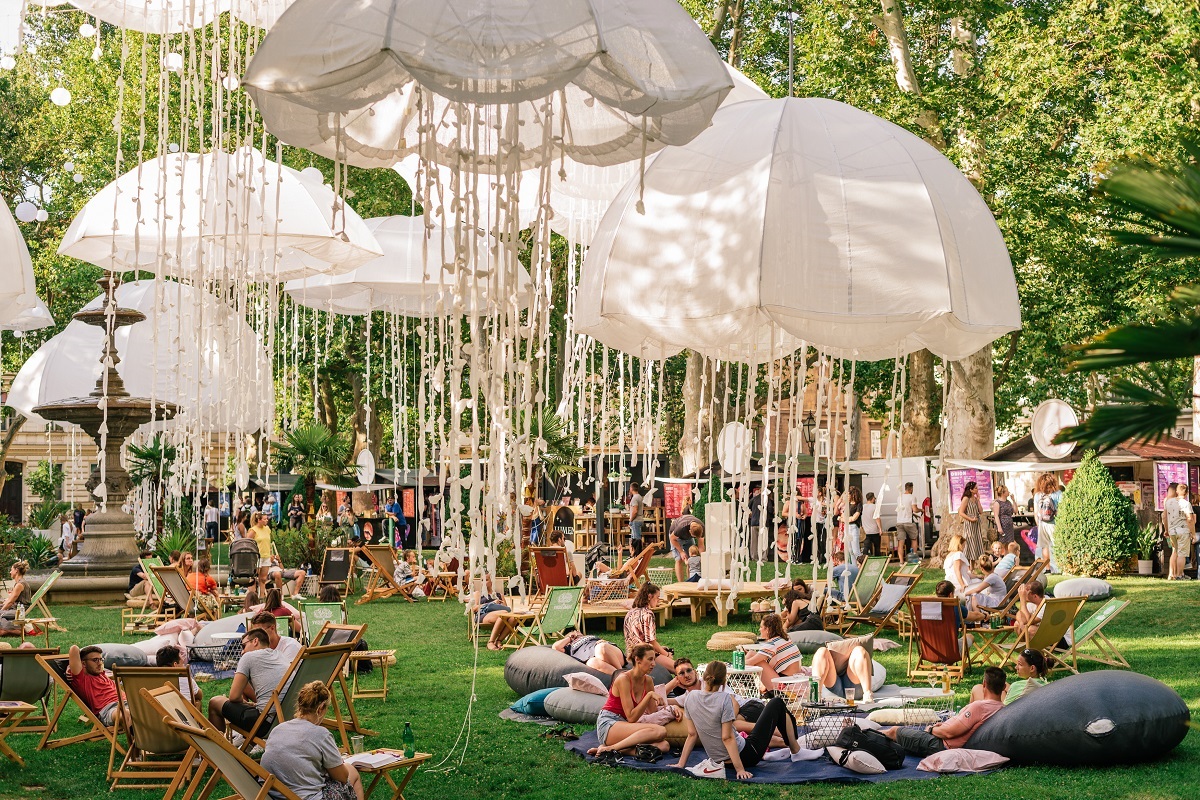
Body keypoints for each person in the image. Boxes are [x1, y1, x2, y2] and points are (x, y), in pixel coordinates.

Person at [674, 661, 821, 780]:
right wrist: (740, 770)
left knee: (751, 732)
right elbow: (727, 738)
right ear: (724, 681)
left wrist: (681, 764)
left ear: (703, 676)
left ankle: (784, 751)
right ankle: (796, 750)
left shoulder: (690, 698)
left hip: (720, 761)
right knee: (776, 703)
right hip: (746, 756)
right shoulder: (724, 698)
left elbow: (692, 735)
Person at [261, 680, 365, 800]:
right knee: (352, 771)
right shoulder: (320, 734)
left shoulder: (277, 730)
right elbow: (341, 777)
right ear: (320, 708)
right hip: (307, 797)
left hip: (273, 795)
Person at [882, 667, 1005, 756]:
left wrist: (931, 729)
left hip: (940, 744)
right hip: (942, 738)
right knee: (902, 737)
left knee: (894, 731)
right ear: (1004, 687)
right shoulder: (1002, 708)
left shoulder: (979, 707)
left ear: (984, 684)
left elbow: (949, 733)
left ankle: (865, 737)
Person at [588, 643, 672, 759]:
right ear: (638, 659)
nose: (654, 664)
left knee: (664, 745)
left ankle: (609, 749)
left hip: (625, 724)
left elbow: (652, 712)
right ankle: (611, 748)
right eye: (650, 659)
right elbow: (631, 717)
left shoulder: (648, 681)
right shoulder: (624, 679)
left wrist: (671, 710)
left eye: (654, 659)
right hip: (610, 723)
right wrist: (649, 695)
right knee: (660, 731)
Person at [208, 629, 289, 735]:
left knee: (215, 702)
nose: (242, 651)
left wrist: (245, 703)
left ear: (255, 641)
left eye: (243, 646)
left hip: (265, 723)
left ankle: (218, 747)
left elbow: (234, 696)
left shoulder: (249, 657)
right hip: (287, 719)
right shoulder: (281, 655)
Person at [623, 582, 675, 671]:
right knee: (678, 668)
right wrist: (666, 655)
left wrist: (660, 649)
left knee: (663, 649)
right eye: (657, 597)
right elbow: (651, 641)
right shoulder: (648, 614)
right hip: (644, 654)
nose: (659, 600)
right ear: (650, 596)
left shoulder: (630, 612)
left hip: (631, 654)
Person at [67, 644, 123, 727]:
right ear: (83, 664)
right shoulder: (82, 679)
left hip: (126, 703)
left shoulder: (102, 675)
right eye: (95, 660)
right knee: (126, 715)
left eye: (101, 659)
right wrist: (69, 667)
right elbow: (74, 649)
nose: (100, 663)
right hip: (109, 709)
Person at [744, 614, 802, 690]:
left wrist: (732, 665)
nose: (759, 629)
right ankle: (740, 681)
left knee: (756, 660)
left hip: (784, 685)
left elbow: (749, 663)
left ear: (767, 630)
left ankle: (735, 680)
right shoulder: (785, 639)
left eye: (761, 627)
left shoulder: (772, 644)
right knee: (751, 654)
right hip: (793, 680)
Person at [810, 637, 875, 703]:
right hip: (833, 685)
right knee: (821, 651)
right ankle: (815, 695)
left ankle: (867, 694)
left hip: (854, 687)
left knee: (860, 650)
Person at [552, 628, 626, 674]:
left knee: (601, 648)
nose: (576, 632)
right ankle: (621, 676)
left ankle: (622, 673)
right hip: (597, 660)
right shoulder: (569, 647)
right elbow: (556, 647)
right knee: (591, 662)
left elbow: (603, 645)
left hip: (611, 654)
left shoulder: (589, 637)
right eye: (573, 632)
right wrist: (570, 638)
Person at [1165, 482, 1193, 580]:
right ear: (1186, 493)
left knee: (1175, 552)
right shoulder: (1186, 503)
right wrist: (1192, 533)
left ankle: (1172, 574)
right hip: (1183, 530)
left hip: (1172, 531)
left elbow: (1165, 517)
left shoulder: (1168, 502)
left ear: (1177, 491)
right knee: (1182, 554)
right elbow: (1190, 519)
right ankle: (1179, 574)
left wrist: (1166, 529)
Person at [1034, 472, 1060, 573]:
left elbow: (1036, 513)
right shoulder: (1058, 494)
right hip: (1054, 524)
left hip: (1042, 524)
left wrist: (1039, 524)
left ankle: (1048, 568)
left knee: (1045, 546)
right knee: (1057, 545)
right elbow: (1061, 510)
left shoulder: (1037, 495)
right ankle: (1059, 568)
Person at [669, 514, 704, 583]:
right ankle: (681, 583)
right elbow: (672, 539)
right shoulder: (681, 527)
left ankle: (690, 581)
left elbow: (701, 545)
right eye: (694, 537)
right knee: (679, 559)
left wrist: (702, 557)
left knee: (692, 557)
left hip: (688, 537)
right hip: (676, 538)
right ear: (690, 532)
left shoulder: (701, 528)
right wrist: (681, 552)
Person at [957, 481, 985, 563]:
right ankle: (967, 565)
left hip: (976, 524)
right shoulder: (966, 499)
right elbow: (961, 512)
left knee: (975, 543)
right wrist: (970, 519)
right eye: (976, 488)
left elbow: (981, 511)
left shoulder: (975, 499)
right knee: (969, 543)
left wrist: (978, 500)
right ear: (971, 490)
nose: (977, 490)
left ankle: (972, 567)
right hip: (969, 524)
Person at [0, 561, 31, 632]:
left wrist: (2, 610)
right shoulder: (19, 583)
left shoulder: (20, 584)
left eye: (11, 570)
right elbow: (10, 600)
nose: (10, 572)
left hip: (20, 611)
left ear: (16, 570)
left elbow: (10, 602)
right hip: (16, 607)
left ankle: (15, 629)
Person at [247, 511, 274, 592]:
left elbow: (268, 543)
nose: (267, 520)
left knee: (263, 578)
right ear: (259, 520)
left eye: (267, 519)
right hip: (257, 557)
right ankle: (252, 595)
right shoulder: (253, 530)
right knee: (254, 578)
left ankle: (262, 596)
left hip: (266, 556)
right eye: (265, 519)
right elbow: (247, 543)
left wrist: (271, 554)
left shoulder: (267, 529)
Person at [895, 482, 920, 563]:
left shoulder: (899, 497)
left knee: (900, 542)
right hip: (908, 522)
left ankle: (901, 562)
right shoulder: (912, 497)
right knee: (914, 539)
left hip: (899, 522)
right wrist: (921, 510)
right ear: (911, 489)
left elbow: (904, 509)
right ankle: (913, 560)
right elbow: (915, 509)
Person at [842, 486, 863, 563]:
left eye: (848, 494)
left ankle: (860, 565)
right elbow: (843, 516)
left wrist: (846, 519)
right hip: (847, 527)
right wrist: (847, 519)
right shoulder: (848, 504)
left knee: (855, 550)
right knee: (850, 550)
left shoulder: (858, 505)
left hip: (854, 527)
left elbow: (854, 518)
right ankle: (854, 567)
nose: (847, 496)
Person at [861, 492, 880, 557]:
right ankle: (878, 560)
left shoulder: (862, 507)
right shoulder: (875, 507)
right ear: (872, 498)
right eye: (874, 498)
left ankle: (863, 560)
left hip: (866, 531)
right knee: (877, 547)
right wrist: (880, 529)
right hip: (874, 531)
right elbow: (877, 519)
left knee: (866, 547)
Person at [627, 483, 644, 552]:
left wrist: (631, 520)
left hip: (635, 520)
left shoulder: (634, 498)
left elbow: (635, 510)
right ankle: (635, 553)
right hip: (640, 519)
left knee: (636, 538)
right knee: (637, 537)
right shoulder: (639, 497)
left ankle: (637, 553)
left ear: (631, 488)